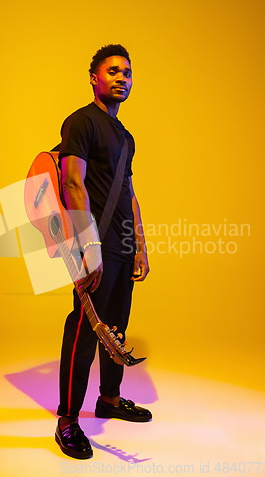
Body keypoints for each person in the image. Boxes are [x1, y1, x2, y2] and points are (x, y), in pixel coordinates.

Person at [55, 44, 151, 459]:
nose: (121, 78)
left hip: (122, 243)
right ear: (94, 77)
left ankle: (109, 399)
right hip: (92, 242)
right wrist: (87, 243)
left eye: (127, 73)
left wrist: (140, 245)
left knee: (115, 325)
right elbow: (73, 182)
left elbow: (128, 191)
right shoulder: (81, 122)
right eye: (112, 71)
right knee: (84, 328)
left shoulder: (126, 137)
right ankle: (67, 420)